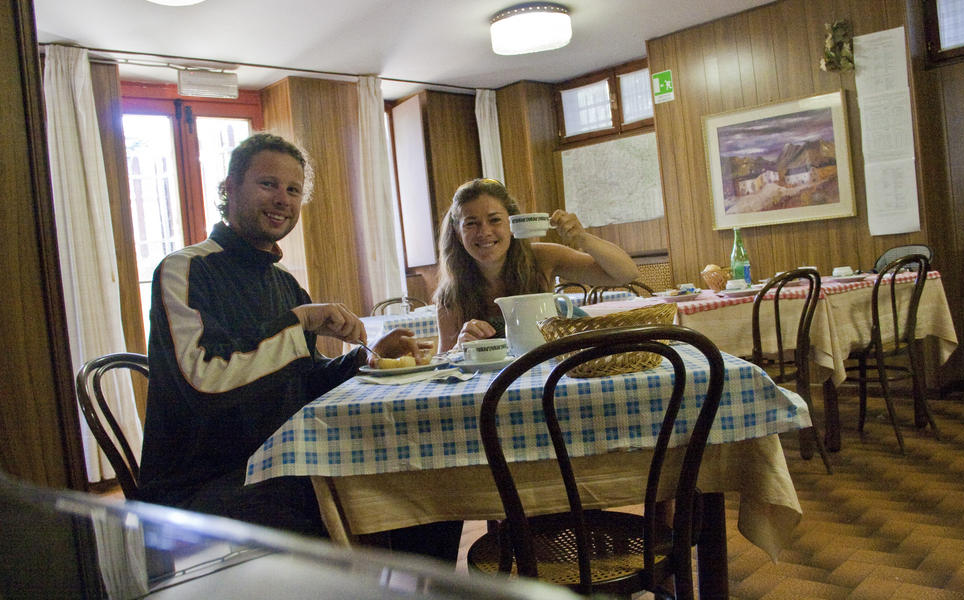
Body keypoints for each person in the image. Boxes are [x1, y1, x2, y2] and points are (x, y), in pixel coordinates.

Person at [136, 133, 460, 558]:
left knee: (430, 479)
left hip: (282, 466)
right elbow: (205, 379)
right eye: (268, 184)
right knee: (355, 496)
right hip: (203, 489)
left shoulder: (285, 283)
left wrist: (370, 355)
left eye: (293, 190)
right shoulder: (186, 269)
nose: (282, 200)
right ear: (229, 188)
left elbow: (303, 379)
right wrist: (301, 320)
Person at [435, 178, 640, 350]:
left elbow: (626, 273)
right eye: (471, 223)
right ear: (458, 233)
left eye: (495, 220)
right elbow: (443, 360)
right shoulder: (450, 295)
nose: (484, 231)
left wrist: (583, 238)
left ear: (512, 223)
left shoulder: (542, 257)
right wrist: (459, 348)